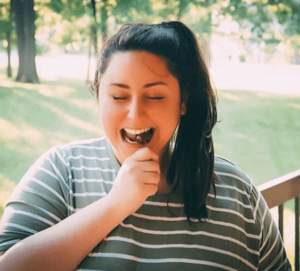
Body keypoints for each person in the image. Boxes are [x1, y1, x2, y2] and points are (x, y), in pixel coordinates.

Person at [0, 21, 291, 271]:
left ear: (184, 102)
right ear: (98, 94)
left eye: (155, 97)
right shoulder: (61, 170)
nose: (135, 114)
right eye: (118, 97)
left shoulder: (238, 192)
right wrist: (115, 204)